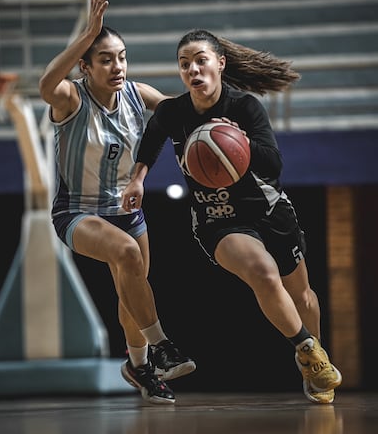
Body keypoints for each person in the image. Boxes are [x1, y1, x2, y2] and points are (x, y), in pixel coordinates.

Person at [122, 28, 342, 404]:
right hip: (218, 217)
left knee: (301, 295)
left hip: (269, 209)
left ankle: (312, 353)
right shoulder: (173, 112)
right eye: (184, 64)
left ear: (220, 64)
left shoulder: (244, 107)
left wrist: (236, 142)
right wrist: (137, 178)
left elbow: (273, 165)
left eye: (200, 61)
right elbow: (153, 137)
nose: (193, 70)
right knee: (263, 273)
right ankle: (307, 349)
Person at [38, 0, 196, 405]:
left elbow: (181, 114)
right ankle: (162, 346)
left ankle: (140, 368)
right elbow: (45, 82)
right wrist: (87, 34)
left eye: (122, 56)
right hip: (76, 212)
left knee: (132, 288)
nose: (117, 65)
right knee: (127, 256)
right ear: (85, 67)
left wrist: (213, 90)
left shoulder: (137, 95)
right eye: (105, 58)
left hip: (126, 209)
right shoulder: (70, 97)